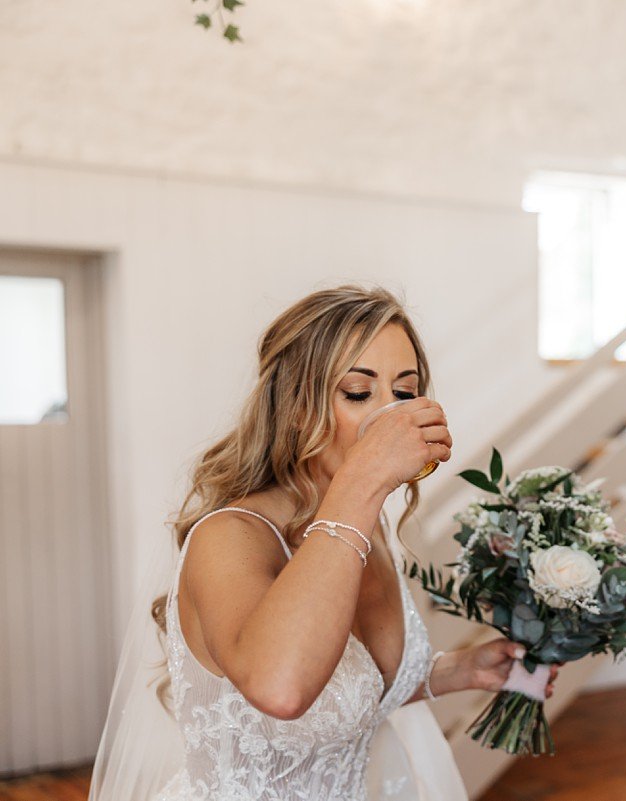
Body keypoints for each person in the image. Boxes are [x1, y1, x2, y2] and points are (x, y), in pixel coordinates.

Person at [90, 285, 560, 801]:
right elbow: (283, 690)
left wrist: (458, 671)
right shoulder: (231, 536)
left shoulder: (370, 528)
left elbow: (357, 695)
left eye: (405, 393)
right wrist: (362, 483)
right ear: (295, 407)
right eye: (359, 393)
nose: (392, 416)